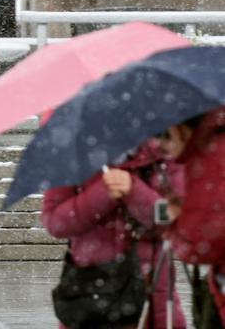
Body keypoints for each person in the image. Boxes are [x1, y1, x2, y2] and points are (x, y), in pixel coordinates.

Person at [42, 138, 186, 328]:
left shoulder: (164, 151)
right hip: (91, 292)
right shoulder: (73, 155)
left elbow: (177, 220)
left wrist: (134, 191)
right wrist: (101, 194)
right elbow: (55, 222)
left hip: (151, 292)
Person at [157, 109, 225, 327]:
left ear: (178, 129)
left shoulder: (209, 155)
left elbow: (199, 245)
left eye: (165, 136)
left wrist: (176, 223)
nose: (164, 147)